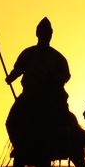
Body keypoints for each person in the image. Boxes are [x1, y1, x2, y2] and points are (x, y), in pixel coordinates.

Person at [4, 17, 72, 147]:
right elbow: (18, 69)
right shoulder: (28, 53)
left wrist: (53, 81)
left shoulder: (58, 57)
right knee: (11, 122)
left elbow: (66, 75)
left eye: (47, 33)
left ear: (51, 34)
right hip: (29, 96)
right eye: (43, 32)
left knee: (67, 123)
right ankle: (18, 147)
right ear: (37, 33)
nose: (45, 35)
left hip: (52, 97)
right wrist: (10, 78)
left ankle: (66, 145)